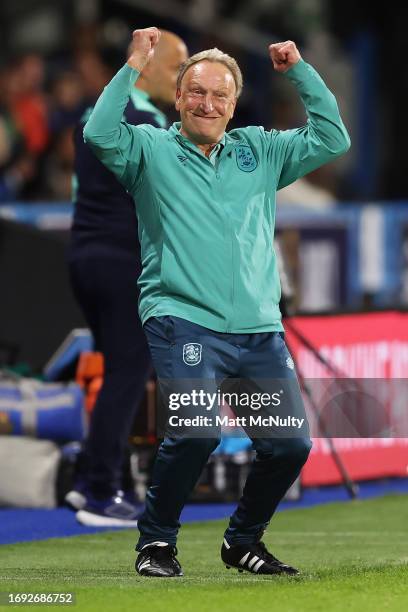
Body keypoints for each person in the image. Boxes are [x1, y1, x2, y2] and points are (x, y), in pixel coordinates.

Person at [83, 28, 350, 574]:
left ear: (233, 104)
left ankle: (242, 540)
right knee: (197, 428)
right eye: (196, 93)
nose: (207, 104)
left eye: (219, 95)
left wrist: (299, 71)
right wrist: (135, 64)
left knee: (289, 447)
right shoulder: (148, 149)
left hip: (256, 327)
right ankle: (156, 542)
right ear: (178, 99)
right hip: (182, 321)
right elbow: (98, 130)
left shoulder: (261, 150)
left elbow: (332, 137)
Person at [66, 31, 188, 527]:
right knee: (128, 372)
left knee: (116, 369)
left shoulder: (98, 114)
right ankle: (99, 492)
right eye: (178, 68)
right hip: (123, 261)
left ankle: (92, 479)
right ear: (149, 67)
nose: (182, 81)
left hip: (82, 257)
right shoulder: (149, 123)